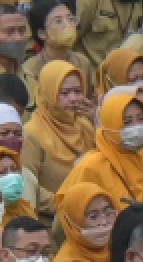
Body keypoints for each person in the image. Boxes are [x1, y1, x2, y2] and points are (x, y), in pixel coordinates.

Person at [62, 91, 143, 207]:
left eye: (141, 119)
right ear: (110, 126)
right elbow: (71, 210)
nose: (136, 127)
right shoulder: (90, 167)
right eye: (127, 122)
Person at [23, 61, 96, 195]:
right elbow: (29, 186)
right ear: (48, 93)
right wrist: (64, 204)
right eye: (65, 93)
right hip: (53, 213)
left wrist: (97, 121)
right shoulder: (31, 134)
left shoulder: (86, 125)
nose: (73, 98)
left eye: (78, 91)